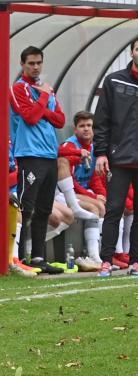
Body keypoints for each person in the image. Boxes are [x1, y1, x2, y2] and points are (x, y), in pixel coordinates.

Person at [10, 45, 66, 274]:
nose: (35, 67)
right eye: (31, 63)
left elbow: (60, 120)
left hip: (50, 155)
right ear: (22, 64)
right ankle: (18, 257)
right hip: (29, 154)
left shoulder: (47, 90)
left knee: (44, 208)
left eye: (38, 63)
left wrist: (42, 104)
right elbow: (31, 117)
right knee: (26, 207)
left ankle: (38, 258)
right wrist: (43, 97)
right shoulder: (19, 88)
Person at [94, 37, 138, 277]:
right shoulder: (114, 80)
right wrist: (101, 153)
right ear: (132, 51)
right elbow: (101, 120)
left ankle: (135, 262)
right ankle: (107, 261)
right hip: (118, 158)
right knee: (113, 209)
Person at [57, 111, 104, 270]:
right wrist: (91, 195)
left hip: (81, 192)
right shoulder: (70, 145)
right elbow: (72, 179)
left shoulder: (94, 148)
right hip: (64, 192)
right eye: (82, 126)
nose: (86, 129)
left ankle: (97, 253)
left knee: (103, 205)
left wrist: (100, 193)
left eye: (89, 125)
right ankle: (94, 255)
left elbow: (94, 177)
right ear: (75, 129)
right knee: (94, 207)